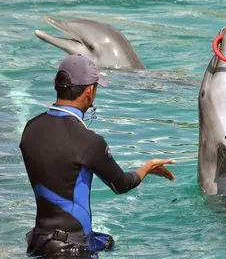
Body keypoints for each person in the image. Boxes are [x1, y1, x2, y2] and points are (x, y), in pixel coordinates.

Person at [19, 54, 175, 257]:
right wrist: (147, 168)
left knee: (106, 242)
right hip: (72, 249)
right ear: (89, 91)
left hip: (38, 243)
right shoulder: (88, 141)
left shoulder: (31, 128)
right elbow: (121, 184)